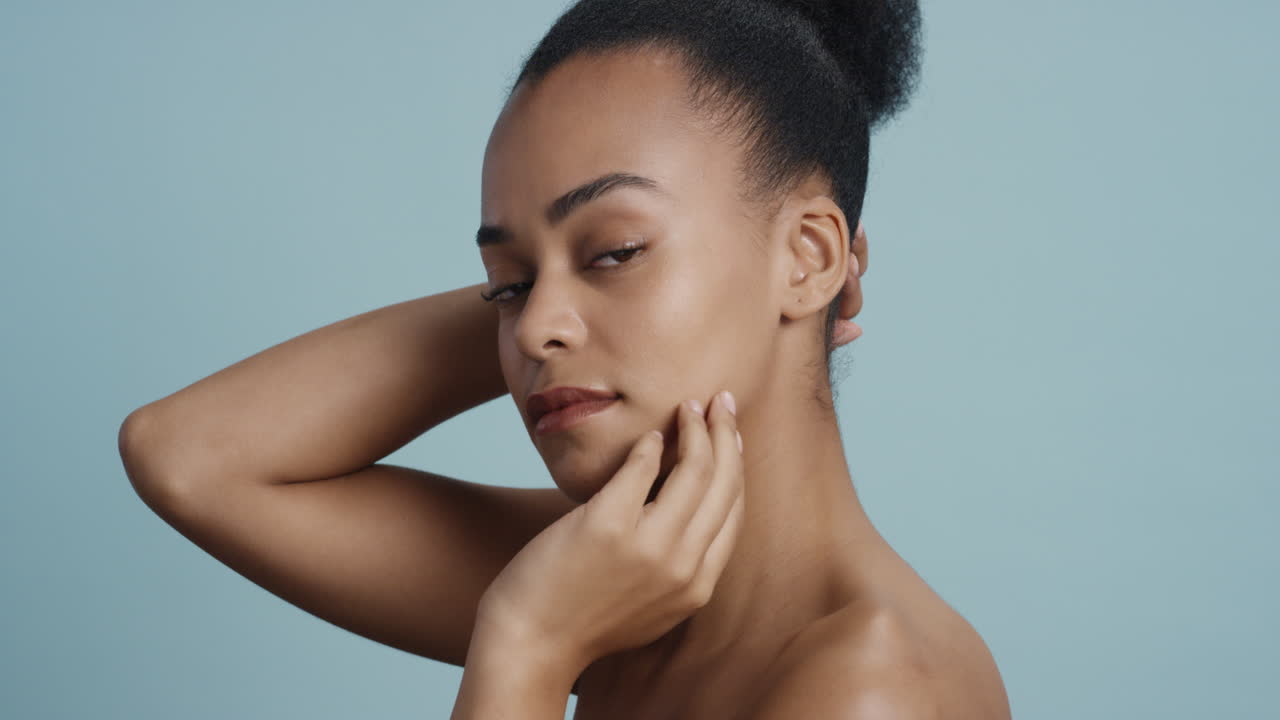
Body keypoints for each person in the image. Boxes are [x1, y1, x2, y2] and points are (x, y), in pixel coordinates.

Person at [118, 0, 1011, 718]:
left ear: (810, 258)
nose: (536, 327)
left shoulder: (874, 689)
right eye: (504, 282)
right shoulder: (615, 579)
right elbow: (186, 453)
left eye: (616, 251)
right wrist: (558, 293)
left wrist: (531, 648)